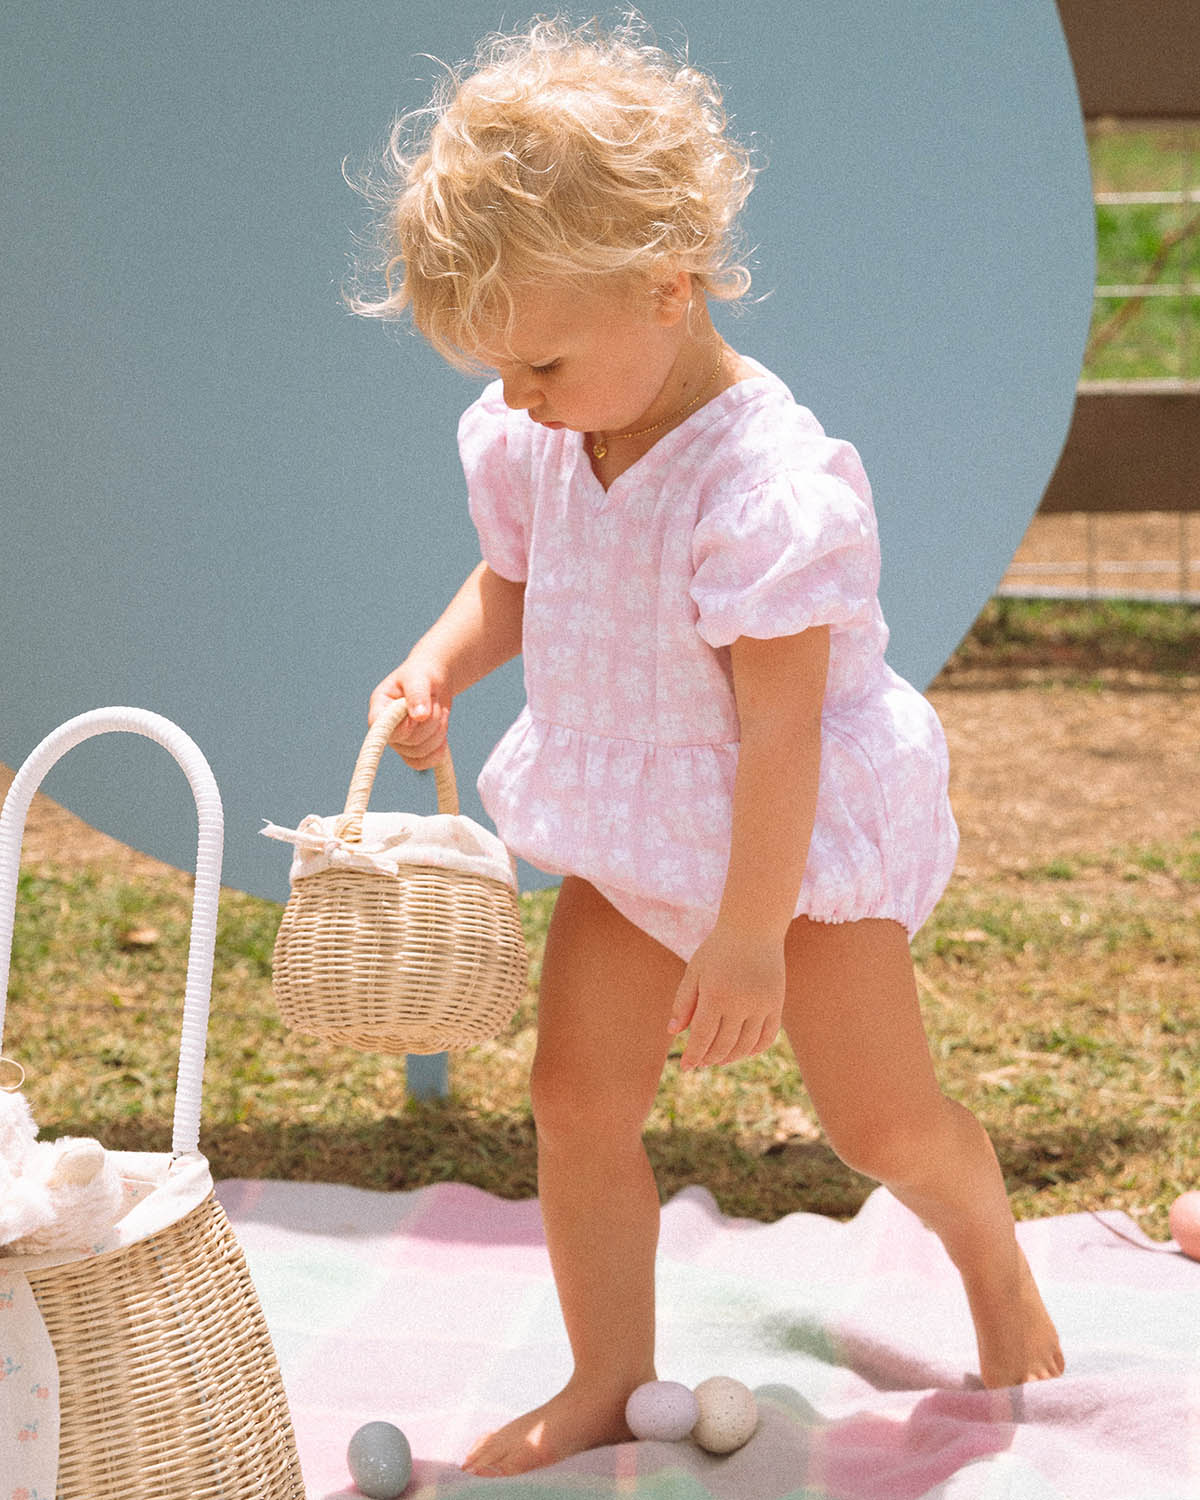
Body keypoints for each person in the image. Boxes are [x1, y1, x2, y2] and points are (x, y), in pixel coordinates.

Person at [353, 15, 1064, 1477]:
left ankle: (988, 1243)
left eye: (539, 360)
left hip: (782, 845)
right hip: (627, 826)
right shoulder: (544, 431)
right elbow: (520, 580)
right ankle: (610, 1372)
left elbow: (783, 731)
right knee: (575, 1100)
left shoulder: (764, 483)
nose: (514, 397)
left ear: (666, 290)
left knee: (878, 1121)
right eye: (497, 370)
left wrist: (750, 937)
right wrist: (439, 666)